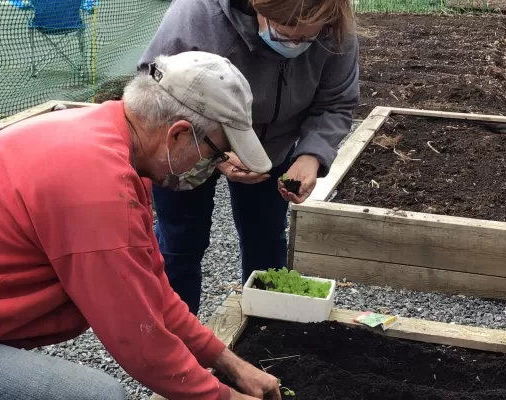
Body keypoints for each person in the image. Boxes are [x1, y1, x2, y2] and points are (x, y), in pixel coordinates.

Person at [0, 51, 280, 400]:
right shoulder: (96, 185)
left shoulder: (108, 142)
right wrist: (224, 397)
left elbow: (153, 292)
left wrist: (233, 366)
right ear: (178, 135)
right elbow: (138, 337)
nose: (212, 167)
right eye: (214, 154)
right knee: (99, 395)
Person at [137, 0, 360, 315]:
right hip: (193, 145)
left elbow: (336, 102)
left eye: (308, 39)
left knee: (266, 239)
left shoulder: (334, 24)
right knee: (180, 241)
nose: (296, 45)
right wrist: (217, 153)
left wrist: (310, 155)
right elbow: (151, 88)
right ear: (259, 8)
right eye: (286, 35)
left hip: (274, 149)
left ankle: (265, 333)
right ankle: (174, 341)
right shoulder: (197, 14)